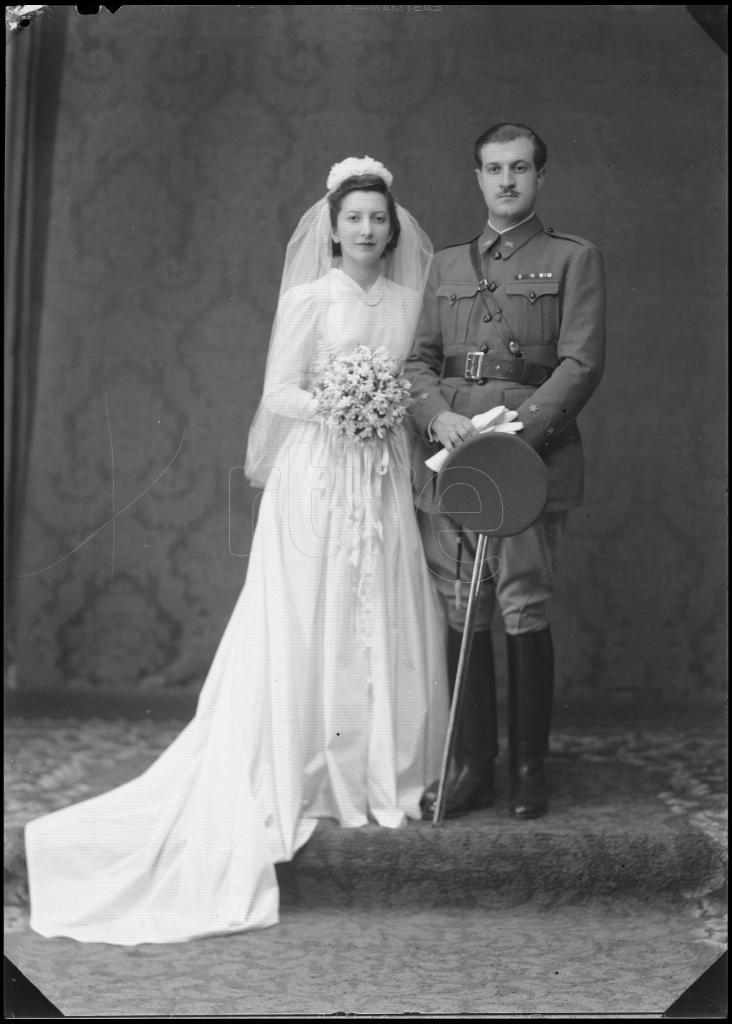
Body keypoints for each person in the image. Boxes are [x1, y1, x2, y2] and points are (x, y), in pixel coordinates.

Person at [24, 157, 448, 945]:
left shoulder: (408, 300)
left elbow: (419, 382)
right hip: (318, 472)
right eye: (353, 217)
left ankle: (376, 767)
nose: (366, 229)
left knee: (375, 606)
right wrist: (341, 401)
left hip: (380, 474)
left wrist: (385, 402)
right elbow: (279, 393)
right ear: (332, 225)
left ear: (393, 229)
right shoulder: (308, 297)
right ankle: (308, 762)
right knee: (306, 611)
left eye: (378, 219)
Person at [405, 123, 606, 821]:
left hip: (527, 457)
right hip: (458, 458)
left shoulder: (572, 258)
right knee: (465, 604)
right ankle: (473, 768)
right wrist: (437, 418)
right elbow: (417, 363)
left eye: (520, 168)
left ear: (540, 177)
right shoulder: (447, 267)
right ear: (479, 178)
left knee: (522, 603)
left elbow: (581, 363)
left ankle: (526, 770)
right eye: (494, 169)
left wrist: (520, 438)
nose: (507, 181)